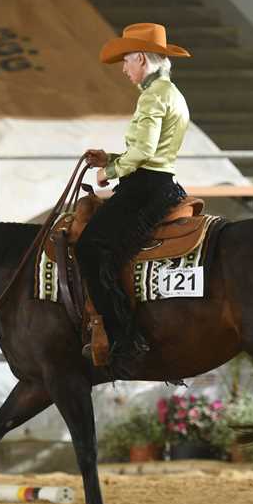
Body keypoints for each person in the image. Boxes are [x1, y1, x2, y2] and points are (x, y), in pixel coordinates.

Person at [78, 22, 192, 379]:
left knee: (90, 249)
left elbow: (143, 151)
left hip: (145, 188)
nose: (124, 68)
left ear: (142, 58)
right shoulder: (169, 92)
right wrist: (111, 158)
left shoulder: (153, 96)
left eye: (126, 60)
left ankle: (123, 338)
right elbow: (151, 152)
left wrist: (108, 172)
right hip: (159, 182)